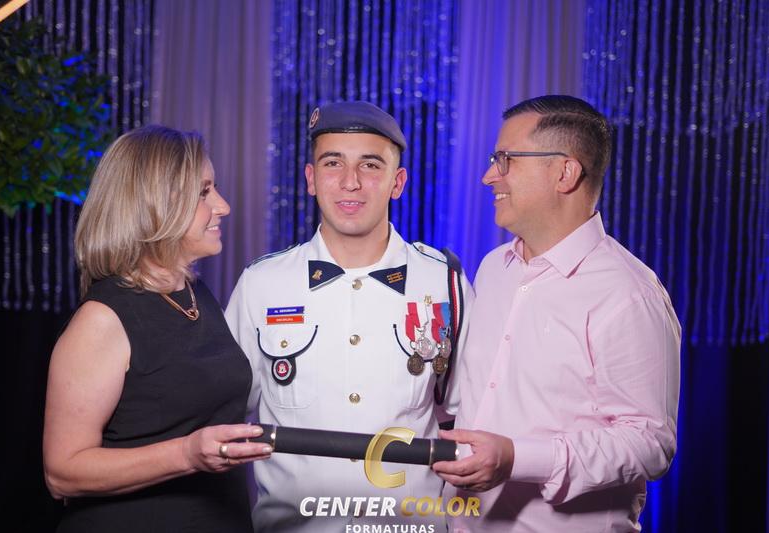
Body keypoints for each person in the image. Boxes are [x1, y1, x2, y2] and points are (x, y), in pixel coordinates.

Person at [432, 95, 681, 532]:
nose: (489, 176)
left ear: (564, 172)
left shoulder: (628, 293)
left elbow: (649, 442)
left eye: (505, 160)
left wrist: (518, 459)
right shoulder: (493, 268)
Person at [225, 101, 472, 532]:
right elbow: (224, 418)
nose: (350, 182)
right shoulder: (261, 284)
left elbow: (469, 418)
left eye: (370, 165)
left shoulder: (444, 282)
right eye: (333, 163)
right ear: (310, 179)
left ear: (398, 183)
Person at [42, 125, 273, 533]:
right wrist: (186, 454)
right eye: (203, 192)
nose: (222, 206)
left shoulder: (195, 294)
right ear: (154, 205)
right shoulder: (102, 319)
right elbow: (62, 473)